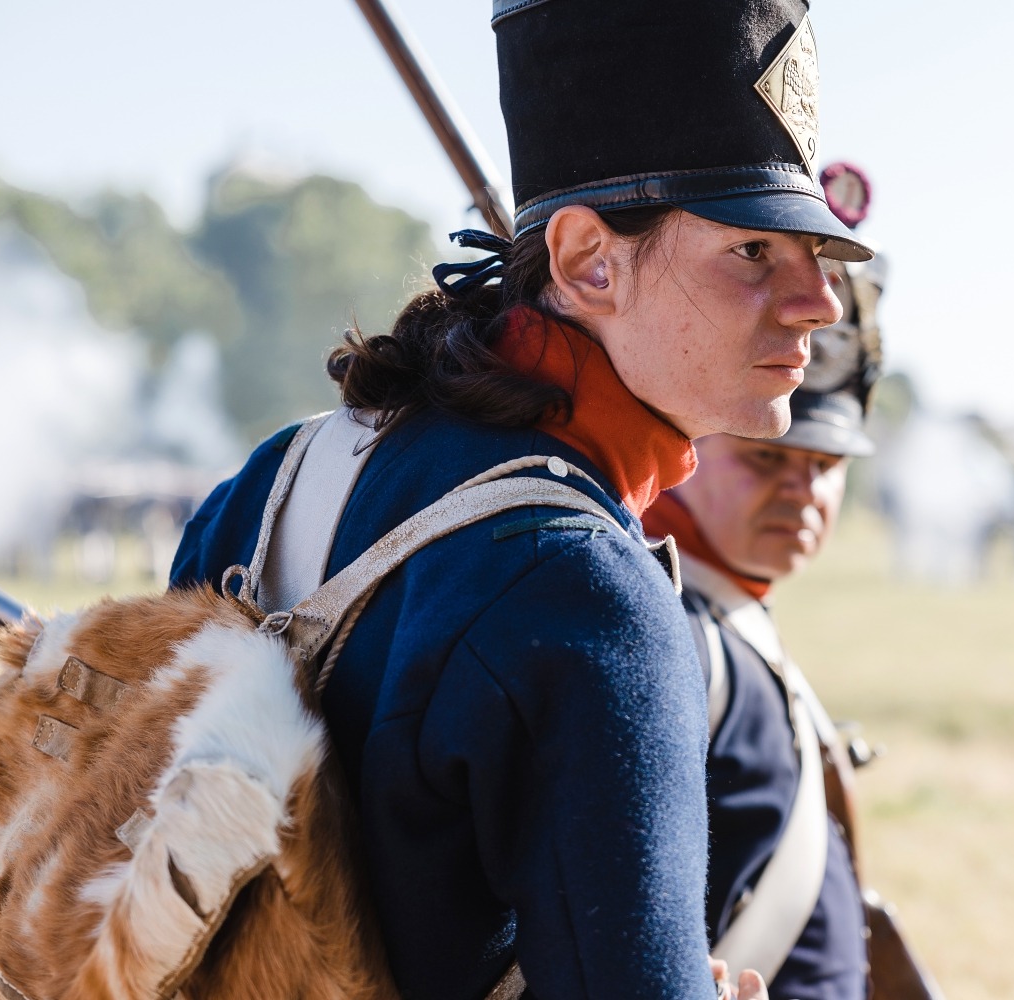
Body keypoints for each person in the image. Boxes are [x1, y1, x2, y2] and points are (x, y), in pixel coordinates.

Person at [169, 2, 872, 999]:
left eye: (816, 257)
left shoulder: (266, 487)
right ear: (590, 259)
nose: (821, 302)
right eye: (754, 252)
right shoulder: (590, 595)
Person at [643, 196, 888, 1000]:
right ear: (693, 447)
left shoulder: (734, 619)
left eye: (825, 468)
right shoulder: (661, 623)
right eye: (768, 461)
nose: (804, 493)